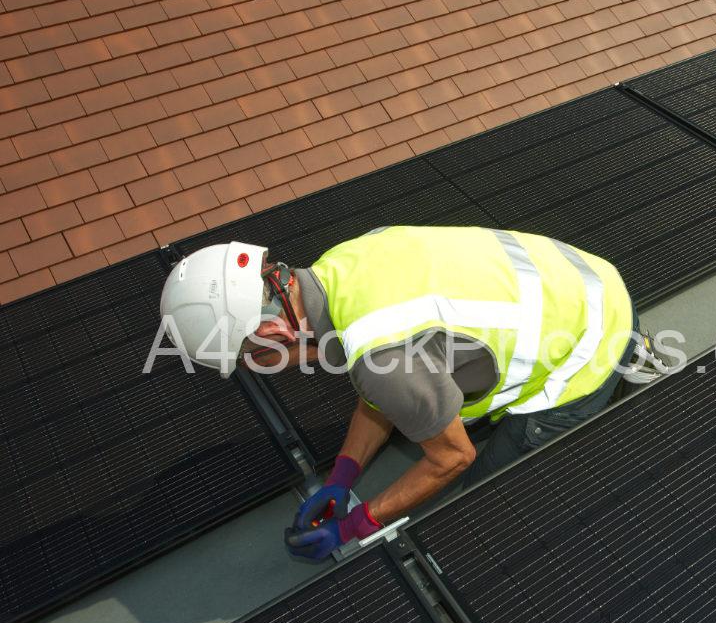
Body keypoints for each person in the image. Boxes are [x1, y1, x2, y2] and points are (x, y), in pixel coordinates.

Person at [159, 226, 657, 561]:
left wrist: (355, 525)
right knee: (425, 393)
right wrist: (342, 476)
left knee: (479, 493)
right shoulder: (342, 265)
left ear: (275, 335)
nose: (262, 370)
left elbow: (450, 458)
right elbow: (383, 383)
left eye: (254, 359)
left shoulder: (379, 357)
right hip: (583, 272)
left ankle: (621, 362)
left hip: (590, 339)